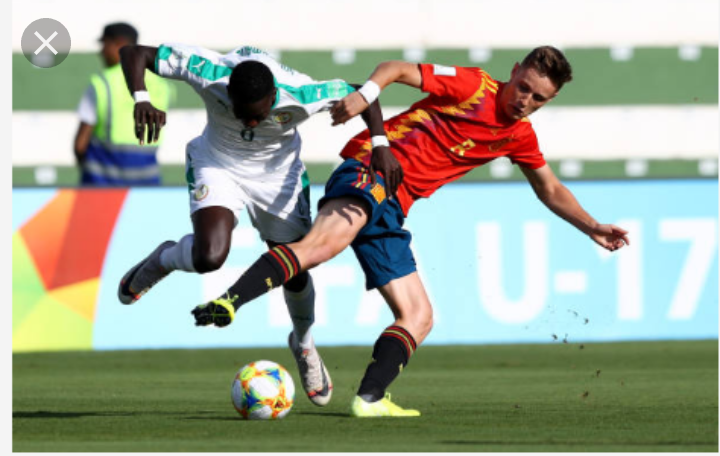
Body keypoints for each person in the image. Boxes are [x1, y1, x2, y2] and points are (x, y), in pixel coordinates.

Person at [190, 46, 631, 417]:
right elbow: (397, 70)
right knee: (321, 246)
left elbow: (549, 188)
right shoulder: (473, 85)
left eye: (538, 99)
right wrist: (365, 97)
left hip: (394, 208)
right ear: (513, 72)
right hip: (371, 169)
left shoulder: (519, 137)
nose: (525, 102)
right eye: (524, 89)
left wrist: (592, 226)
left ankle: (370, 398)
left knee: (419, 317)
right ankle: (231, 300)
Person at [115, 42, 400, 408]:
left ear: (274, 98)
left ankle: (303, 342)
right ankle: (163, 259)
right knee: (209, 256)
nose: (250, 123)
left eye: (259, 116)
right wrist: (141, 97)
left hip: (278, 178)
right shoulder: (209, 72)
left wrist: (380, 142)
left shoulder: (303, 94)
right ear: (227, 94)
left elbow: (363, 92)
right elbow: (133, 52)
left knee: (295, 269)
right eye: (241, 114)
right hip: (218, 164)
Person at [74, 22, 173, 185]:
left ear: (120, 44)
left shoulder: (102, 82)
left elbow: (80, 145)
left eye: (105, 45)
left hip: (101, 183)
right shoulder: (162, 85)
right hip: (147, 179)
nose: (101, 52)